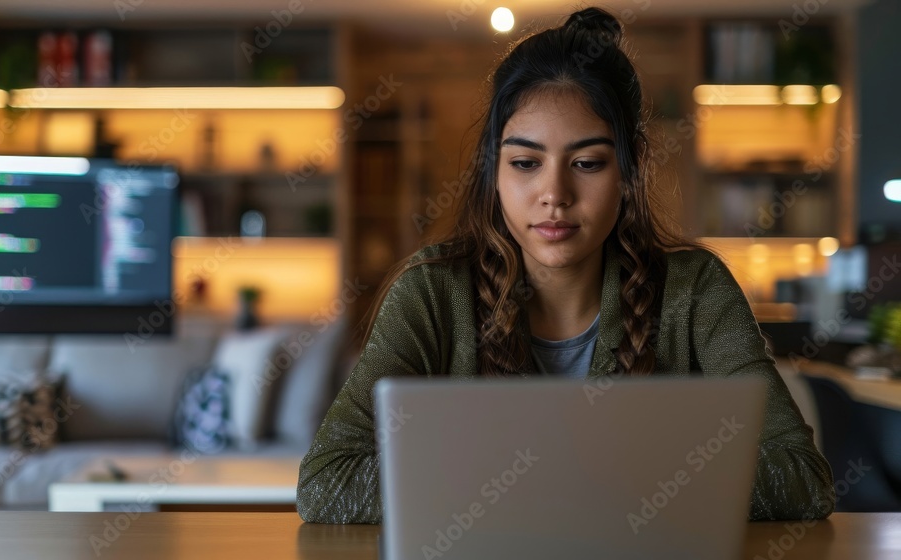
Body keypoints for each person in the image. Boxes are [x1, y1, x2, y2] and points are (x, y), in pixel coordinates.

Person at [296, 7, 835, 524]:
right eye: (526, 163)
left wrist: (538, 488)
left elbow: (801, 477)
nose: (554, 194)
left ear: (628, 171)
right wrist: (595, 487)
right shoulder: (432, 292)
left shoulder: (694, 290)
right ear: (494, 173)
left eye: (587, 163)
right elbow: (327, 481)